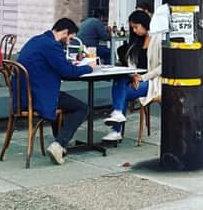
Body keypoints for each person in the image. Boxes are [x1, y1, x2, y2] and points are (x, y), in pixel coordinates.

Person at [16, 17, 98, 165]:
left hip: (23, 95)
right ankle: (59, 144)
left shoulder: (38, 40)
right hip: (39, 96)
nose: (68, 42)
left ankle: (61, 140)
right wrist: (89, 67)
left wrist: (71, 64)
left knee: (65, 102)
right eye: (70, 38)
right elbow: (67, 72)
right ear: (65, 32)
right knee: (82, 108)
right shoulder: (52, 45)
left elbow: (56, 65)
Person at [103, 9, 164, 141]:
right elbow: (131, 65)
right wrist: (133, 76)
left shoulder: (157, 39)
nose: (135, 31)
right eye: (133, 28)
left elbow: (162, 66)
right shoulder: (136, 41)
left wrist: (142, 77)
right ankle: (117, 116)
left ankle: (116, 128)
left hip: (153, 81)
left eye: (136, 27)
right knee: (120, 81)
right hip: (135, 79)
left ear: (144, 24)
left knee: (121, 91)